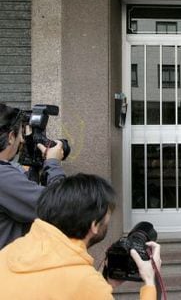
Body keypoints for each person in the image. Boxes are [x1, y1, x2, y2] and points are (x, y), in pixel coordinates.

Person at [0, 173, 161, 300]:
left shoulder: (9, 252)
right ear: (94, 225)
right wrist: (149, 283)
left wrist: (105, 283)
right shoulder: (86, 284)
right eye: (108, 214)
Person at [0, 103, 65, 249]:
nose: (22, 141)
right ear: (11, 137)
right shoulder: (4, 177)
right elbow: (60, 207)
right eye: (20, 135)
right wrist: (53, 163)